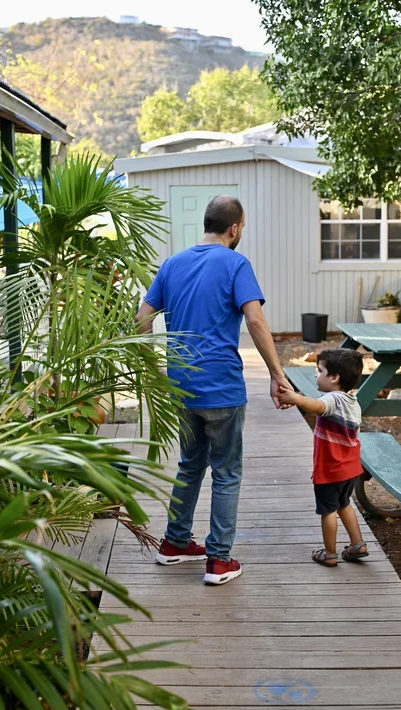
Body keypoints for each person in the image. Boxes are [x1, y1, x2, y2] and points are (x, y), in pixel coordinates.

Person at [135, 195, 293, 585]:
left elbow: (141, 321)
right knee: (226, 471)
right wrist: (277, 373)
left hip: (181, 386)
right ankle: (218, 560)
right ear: (234, 228)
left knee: (191, 463)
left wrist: (155, 369)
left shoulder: (172, 264)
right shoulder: (236, 263)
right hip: (221, 387)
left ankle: (173, 544)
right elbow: (255, 321)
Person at [278, 348, 369, 567]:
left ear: (334, 377)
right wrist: (299, 401)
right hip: (350, 468)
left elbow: (319, 406)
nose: (316, 375)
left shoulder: (332, 399)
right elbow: (320, 407)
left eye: (319, 371)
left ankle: (329, 553)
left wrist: (296, 397)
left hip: (331, 469)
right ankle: (358, 544)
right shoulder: (351, 400)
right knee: (344, 504)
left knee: (328, 510)